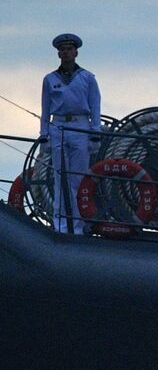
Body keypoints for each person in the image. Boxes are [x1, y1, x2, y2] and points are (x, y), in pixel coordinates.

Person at [40, 33, 101, 235]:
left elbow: (95, 106)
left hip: (80, 126)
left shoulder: (87, 78)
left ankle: (77, 226)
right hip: (58, 127)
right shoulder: (49, 80)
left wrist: (95, 133)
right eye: (62, 49)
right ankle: (61, 226)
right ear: (58, 53)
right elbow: (45, 108)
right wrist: (44, 135)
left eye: (69, 49)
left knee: (78, 180)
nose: (65, 53)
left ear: (75, 52)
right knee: (60, 179)